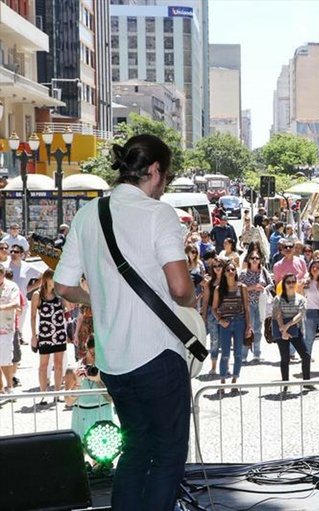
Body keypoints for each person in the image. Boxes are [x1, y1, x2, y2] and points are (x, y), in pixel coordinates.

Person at [54, 134, 197, 511]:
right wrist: (192, 301)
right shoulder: (157, 213)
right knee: (168, 456)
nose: (163, 186)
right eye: (163, 177)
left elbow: (64, 286)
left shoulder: (89, 214)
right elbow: (181, 288)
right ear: (153, 170)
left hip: (114, 362)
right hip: (157, 355)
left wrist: (97, 298)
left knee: (135, 450)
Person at [212, 258, 250, 393]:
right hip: (226, 323)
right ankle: (222, 382)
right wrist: (220, 320)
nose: (230, 272)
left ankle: (234, 380)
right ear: (224, 273)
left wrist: (248, 326)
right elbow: (214, 308)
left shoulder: (242, 287)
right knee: (225, 353)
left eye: (233, 269)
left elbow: (246, 308)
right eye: (227, 270)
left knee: (238, 353)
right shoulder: (218, 289)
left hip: (240, 321)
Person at [64, 336, 113, 440]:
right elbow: (68, 402)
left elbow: (111, 399)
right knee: (79, 452)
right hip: (80, 415)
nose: (96, 357)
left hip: (103, 413)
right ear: (87, 348)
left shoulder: (108, 368)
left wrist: (98, 380)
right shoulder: (73, 369)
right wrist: (77, 383)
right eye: (93, 353)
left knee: (105, 454)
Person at [30, 269, 68, 403]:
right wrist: (33, 334)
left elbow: (68, 308)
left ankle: (57, 393)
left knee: (58, 364)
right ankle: (43, 393)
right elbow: (33, 316)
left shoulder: (59, 293)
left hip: (59, 333)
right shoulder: (37, 295)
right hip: (45, 333)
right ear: (47, 279)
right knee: (43, 365)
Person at [272, 273, 313, 391]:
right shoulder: (278, 299)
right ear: (284, 284)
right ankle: (285, 383)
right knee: (285, 357)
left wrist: (287, 326)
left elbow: (300, 315)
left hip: (295, 329)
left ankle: (306, 381)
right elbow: (278, 314)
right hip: (281, 330)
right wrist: (283, 329)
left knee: (306, 355)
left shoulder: (301, 299)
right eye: (288, 282)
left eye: (293, 282)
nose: (290, 284)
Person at [239, 247, 271, 364]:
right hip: (248, 305)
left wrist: (264, 289)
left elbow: (271, 284)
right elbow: (239, 288)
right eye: (252, 258)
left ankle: (257, 353)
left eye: (257, 258)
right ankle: (243, 355)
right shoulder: (243, 273)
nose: (254, 260)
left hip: (260, 304)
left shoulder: (263, 271)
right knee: (247, 329)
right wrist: (252, 287)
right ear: (248, 259)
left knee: (258, 330)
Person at [201, 258, 225, 374]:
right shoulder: (209, 283)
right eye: (215, 266)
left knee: (225, 340)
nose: (217, 268)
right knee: (214, 340)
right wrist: (203, 317)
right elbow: (205, 301)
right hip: (211, 314)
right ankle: (214, 366)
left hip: (226, 313)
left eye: (219, 265)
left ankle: (225, 366)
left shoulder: (229, 281)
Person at [0, 267, 20, 396]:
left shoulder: (11, 286)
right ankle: (1, 388)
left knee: (5, 359)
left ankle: (9, 386)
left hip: (5, 328)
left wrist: (1, 307)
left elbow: (16, 303)